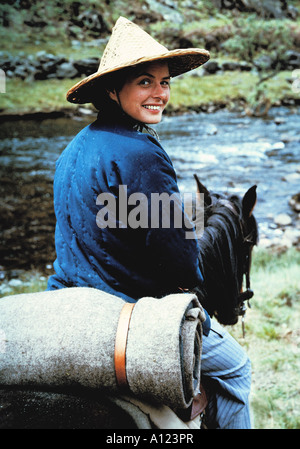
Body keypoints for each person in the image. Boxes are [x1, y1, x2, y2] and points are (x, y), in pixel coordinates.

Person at [47, 16, 252, 429]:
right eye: (145, 82)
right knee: (237, 369)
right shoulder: (141, 152)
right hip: (126, 310)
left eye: (165, 82)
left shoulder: (73, 147)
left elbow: (102, 226)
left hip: (66, 300)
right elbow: (176, 253)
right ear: (111, 89)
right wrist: (192, 283)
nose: (160, 93)